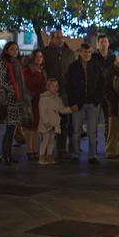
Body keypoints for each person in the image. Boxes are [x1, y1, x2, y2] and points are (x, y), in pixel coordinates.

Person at [66, 43, 105, 165]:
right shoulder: (73, 67)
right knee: (76, 130)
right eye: (85, 52)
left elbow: (102, 84)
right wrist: (72, 102)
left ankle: (92, 155)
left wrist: (96, 100)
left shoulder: (96, 66)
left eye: (89, 52)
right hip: (78, 103)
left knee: (92, 131)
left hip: (92, 103)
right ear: (80, 52)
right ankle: (75, 155)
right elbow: (68, 86)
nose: (87, 54)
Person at [42, 29, 76, 158]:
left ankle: (62, 148)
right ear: (52, 39)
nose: (60, 39)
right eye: (57, 37)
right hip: (51, 92)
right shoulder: (45, 52)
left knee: (65, 121)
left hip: (65, 91)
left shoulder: (69, 53)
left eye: (62, 37)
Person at [0, 42, 26, 165]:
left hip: (17, 100)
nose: (15, 51)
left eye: (17, 49)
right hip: (9, 100)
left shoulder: (17, 63)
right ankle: (5, 155)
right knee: (10, 129)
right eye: (12, 49)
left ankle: (7, 154)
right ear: (7, 50)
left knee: (12, 128)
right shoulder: (4, 63)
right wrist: (13, 90)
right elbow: (1, 81)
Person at [38, 79, 74, 164]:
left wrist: (70, 109)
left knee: (51, 141)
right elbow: (42, 111)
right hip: (46, 124)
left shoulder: (58, 99)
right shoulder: (44, 98)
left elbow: (61, 110)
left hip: (54, 123)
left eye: (56, 86)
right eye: (52, 86)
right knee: (45, 140)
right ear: (48, 87)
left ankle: (49, 156)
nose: (54, 88)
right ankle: (42, 157)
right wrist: (46, 121)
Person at [92, 34, 116, 151]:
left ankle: (109, 145)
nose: (103, 44)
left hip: (109, 92)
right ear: (98, 44)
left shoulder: (113, 58)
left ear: (108, 43)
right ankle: (93, 146)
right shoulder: (93, 57)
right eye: (101, 42)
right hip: (96, 92)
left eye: (105, 42)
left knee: (108, 119)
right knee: (94, 120)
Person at [23, 49, 47, 161]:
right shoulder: (28, 70)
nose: (39, 59)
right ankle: (29, 149)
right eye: (37, 57)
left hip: (39, 100)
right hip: (30, 100)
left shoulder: (42, 71)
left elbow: (44, 85)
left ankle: (34, 150)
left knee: (36, 126)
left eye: (41, 56)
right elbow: (30, 84)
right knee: (29, 126)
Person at [104, 50, 119, 159]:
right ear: (116, 58)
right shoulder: (111, 71)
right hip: (114, 104)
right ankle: (110, 150)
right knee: (113, 129)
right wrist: (112, 101)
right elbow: (108, 89)